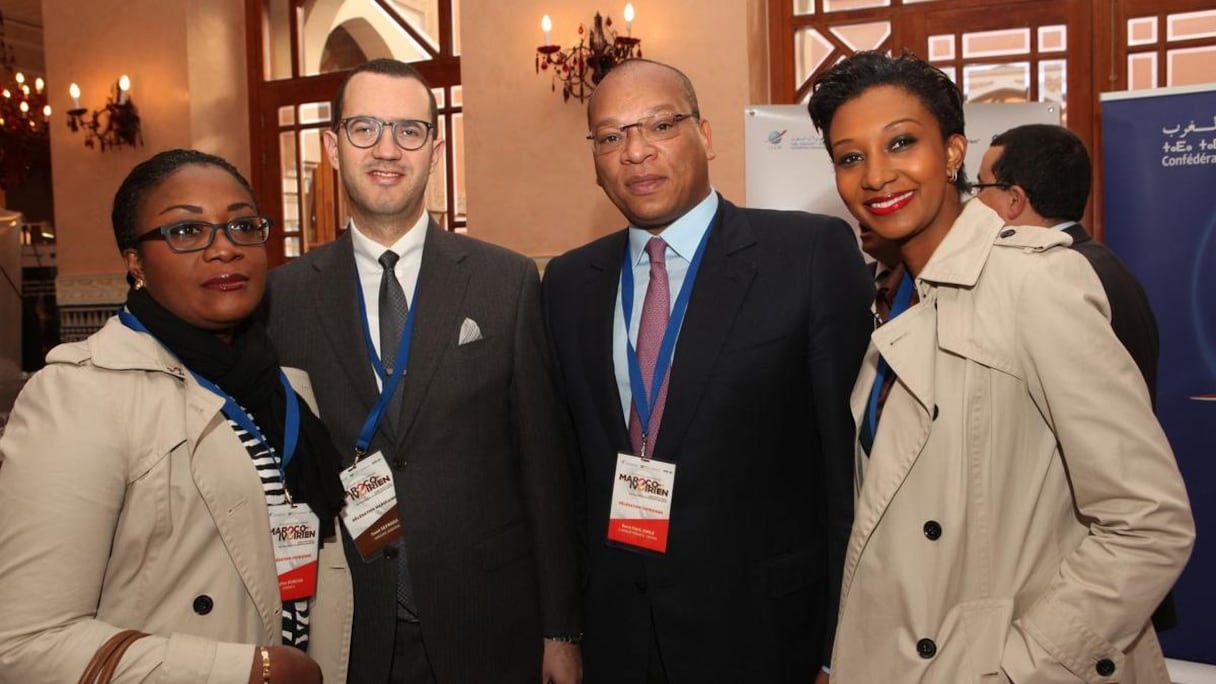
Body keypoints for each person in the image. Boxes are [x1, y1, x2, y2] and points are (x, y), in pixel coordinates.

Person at [808, 50, 1194, 682]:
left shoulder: (1035, 282)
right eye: (850, 157)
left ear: (954, 150)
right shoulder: (895, 295)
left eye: (901, 142)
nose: (876, 175)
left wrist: (1022, 669)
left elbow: (1148, 522)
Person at [542, 58, 873, 683]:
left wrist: (838, 646)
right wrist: (564, 630)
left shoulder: (805, 257)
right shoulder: (567, 283)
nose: (636, 152)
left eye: (660, 125)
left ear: (707, 135)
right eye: (611, 136)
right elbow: (565, 476)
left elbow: (849, 476)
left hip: (766, 636)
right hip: (619, 636)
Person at [264, 59, 582, 683]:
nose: (387, 149)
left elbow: (544, 468)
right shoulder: (282, 298)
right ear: (332, 147)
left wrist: (561, 630)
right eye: (364, 128)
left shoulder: (505, 281)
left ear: (435, 149)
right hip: (344, 628)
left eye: (409, 130)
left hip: (487, 621)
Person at [0, 149, 351, 683]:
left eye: (241, 225)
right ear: (135, 261)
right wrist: (244, 671)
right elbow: (25, 644)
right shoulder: (80, 395)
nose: (225, 249)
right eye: (187, 231)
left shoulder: (281, 387)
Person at [975, 124, 1176, 633]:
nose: (970, 205)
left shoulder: (1059, 281)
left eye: (980, 190)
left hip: (1079, 563)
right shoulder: (1102, 264)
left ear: (1014, 200)